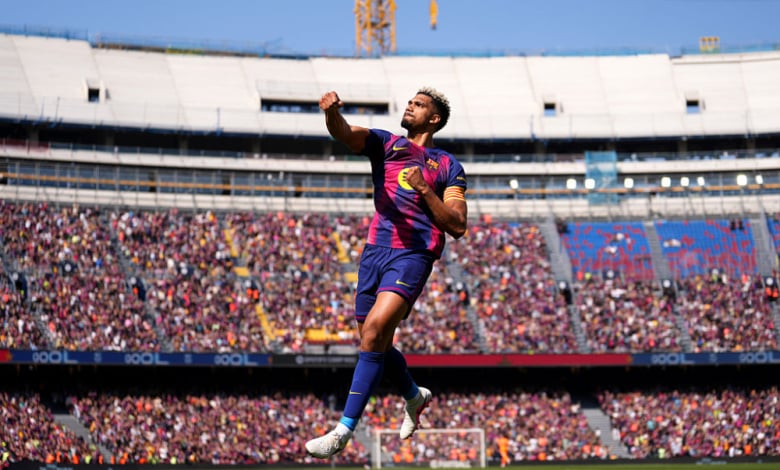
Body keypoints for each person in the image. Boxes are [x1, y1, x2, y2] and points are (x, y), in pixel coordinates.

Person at [305, 87, 468, 458]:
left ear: (434, 119)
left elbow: (457, 224)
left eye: (419, 105)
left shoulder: (447, 165)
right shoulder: (387, 144)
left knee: (376, 330)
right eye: (410, 102)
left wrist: (425, 189)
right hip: (374, 252)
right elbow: (346, 134)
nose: (410, 106)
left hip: (413, 253)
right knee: (371, 337)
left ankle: (343, 430)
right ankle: (413, 394)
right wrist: (331, 114)